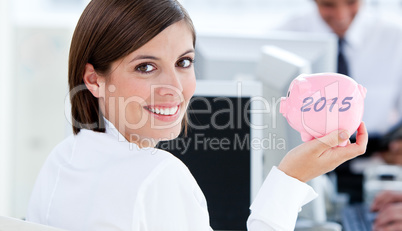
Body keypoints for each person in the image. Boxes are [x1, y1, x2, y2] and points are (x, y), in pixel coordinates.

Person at [25, 0, 368, 230]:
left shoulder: (62, 158)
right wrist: (292, 178)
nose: (174, 87)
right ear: (93, 80)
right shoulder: (159, 175)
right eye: (146, 67)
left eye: (183, 63)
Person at [274, 0, 402, 202]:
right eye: (328, 5)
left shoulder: (395, 37)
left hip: (372, 175)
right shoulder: (283, 37)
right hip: (303, 173)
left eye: (351, 2)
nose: (341, 15)